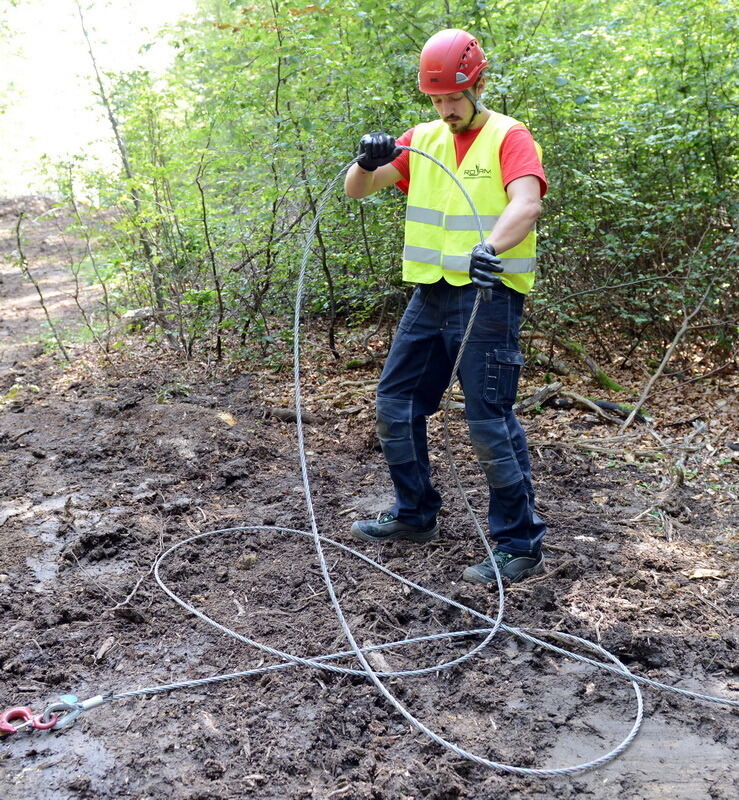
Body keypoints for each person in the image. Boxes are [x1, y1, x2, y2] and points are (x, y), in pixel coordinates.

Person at [344, 29, 547, 584]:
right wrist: (366, 161)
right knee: (395, 404)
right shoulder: (422, 138)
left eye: (454, 97)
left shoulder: (511, 135)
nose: (446, 108)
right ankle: (415, 515)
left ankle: (519, 544)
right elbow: (357, 190)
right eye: (436, 99)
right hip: (430, 292)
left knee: (487, 419)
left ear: (476, 84)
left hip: (487, 296)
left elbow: (525, 204)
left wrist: (490, 248)